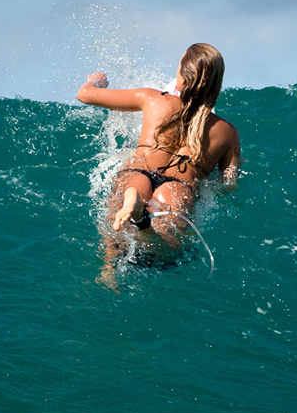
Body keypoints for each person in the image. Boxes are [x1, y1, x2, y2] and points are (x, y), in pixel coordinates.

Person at [76, 43, 241, 275]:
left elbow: (84, 95)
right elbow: (229, 185)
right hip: (177, 187)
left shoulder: (152, 98)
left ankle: (109, 271)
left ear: (182, 76)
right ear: (217, 84)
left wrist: (95, 82)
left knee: (117, 237)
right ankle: (143, 223)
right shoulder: (227, 132)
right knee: (165, 250)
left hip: (138, 173)